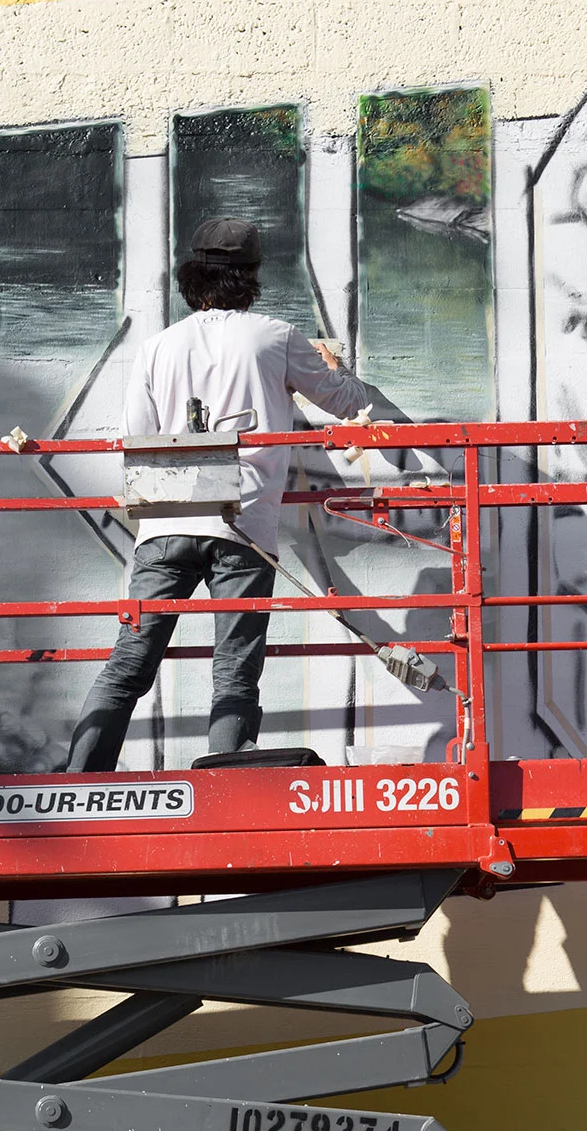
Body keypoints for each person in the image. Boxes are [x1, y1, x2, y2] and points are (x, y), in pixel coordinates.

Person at [66, 216, 384, 773]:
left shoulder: (157, 347)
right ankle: (224, 787)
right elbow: (346, 403)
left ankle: (81, 779)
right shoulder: (276, 337)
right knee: (234, 669)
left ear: (192, 276)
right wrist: (337, 371)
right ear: (251, 276)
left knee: (129, 662)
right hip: (243, 525)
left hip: (165, 524)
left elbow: (137, 441)